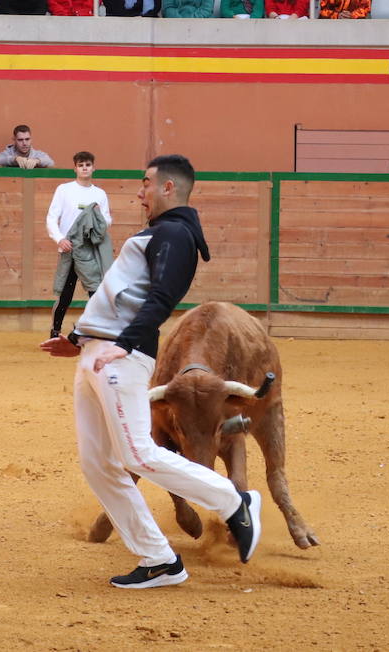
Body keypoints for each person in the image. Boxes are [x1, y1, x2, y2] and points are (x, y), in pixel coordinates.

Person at [39, 154, 263, 589]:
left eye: (145, 183)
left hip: (122, 357)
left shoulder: (176, 235)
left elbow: (161, 300)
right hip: (97, 353)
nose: (138, 192)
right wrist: (79, 339)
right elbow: (118, 296)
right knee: (98, 465)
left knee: (138, 453)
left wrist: (121, 345)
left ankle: (233, 501)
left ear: (168, 188)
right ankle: (159, 559)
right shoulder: (157, 233)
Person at [44, 150, 111, 338]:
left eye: (87, 165)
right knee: (65, 294)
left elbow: (107, 221)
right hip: (69, 248)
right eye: (81, 165)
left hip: (90, 251)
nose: (84, 168)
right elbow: (51, 218)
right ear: (75, 168)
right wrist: (60, 239)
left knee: (94, 291)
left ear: (93, 168)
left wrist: (97, 216)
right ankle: (55, 331)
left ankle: (91, 331)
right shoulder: (64, 190)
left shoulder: (100, 194)